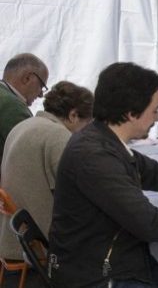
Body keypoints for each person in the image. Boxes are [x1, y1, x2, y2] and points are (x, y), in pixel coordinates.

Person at [48, 63, 158, 287]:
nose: (157, 118)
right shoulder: (94, 156)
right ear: (131, 114)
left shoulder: (103, 140)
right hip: (98, 275)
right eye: (154, 110)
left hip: (108, 258)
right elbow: (152, 225)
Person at [0, 81, 93, 261]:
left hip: (14, 234)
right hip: (41, 241)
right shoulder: (58, 135)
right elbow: (81, 191)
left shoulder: (26, 125)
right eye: (87, 123)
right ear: (73, 115)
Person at [0, 53, 48, 169]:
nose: (41, 95)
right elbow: (29, 157)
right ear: (27, 78)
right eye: (41, 86)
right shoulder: (14, 107)